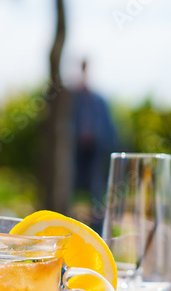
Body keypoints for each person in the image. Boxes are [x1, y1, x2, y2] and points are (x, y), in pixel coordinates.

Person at [70, 59, 117, 232]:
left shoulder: (98, 99)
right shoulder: (72, 98)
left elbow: (108, 127)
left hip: (95, 151)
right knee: (69, 188)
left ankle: (98, 229)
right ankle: (65, 226)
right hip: (75, 151)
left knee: (96, 190)